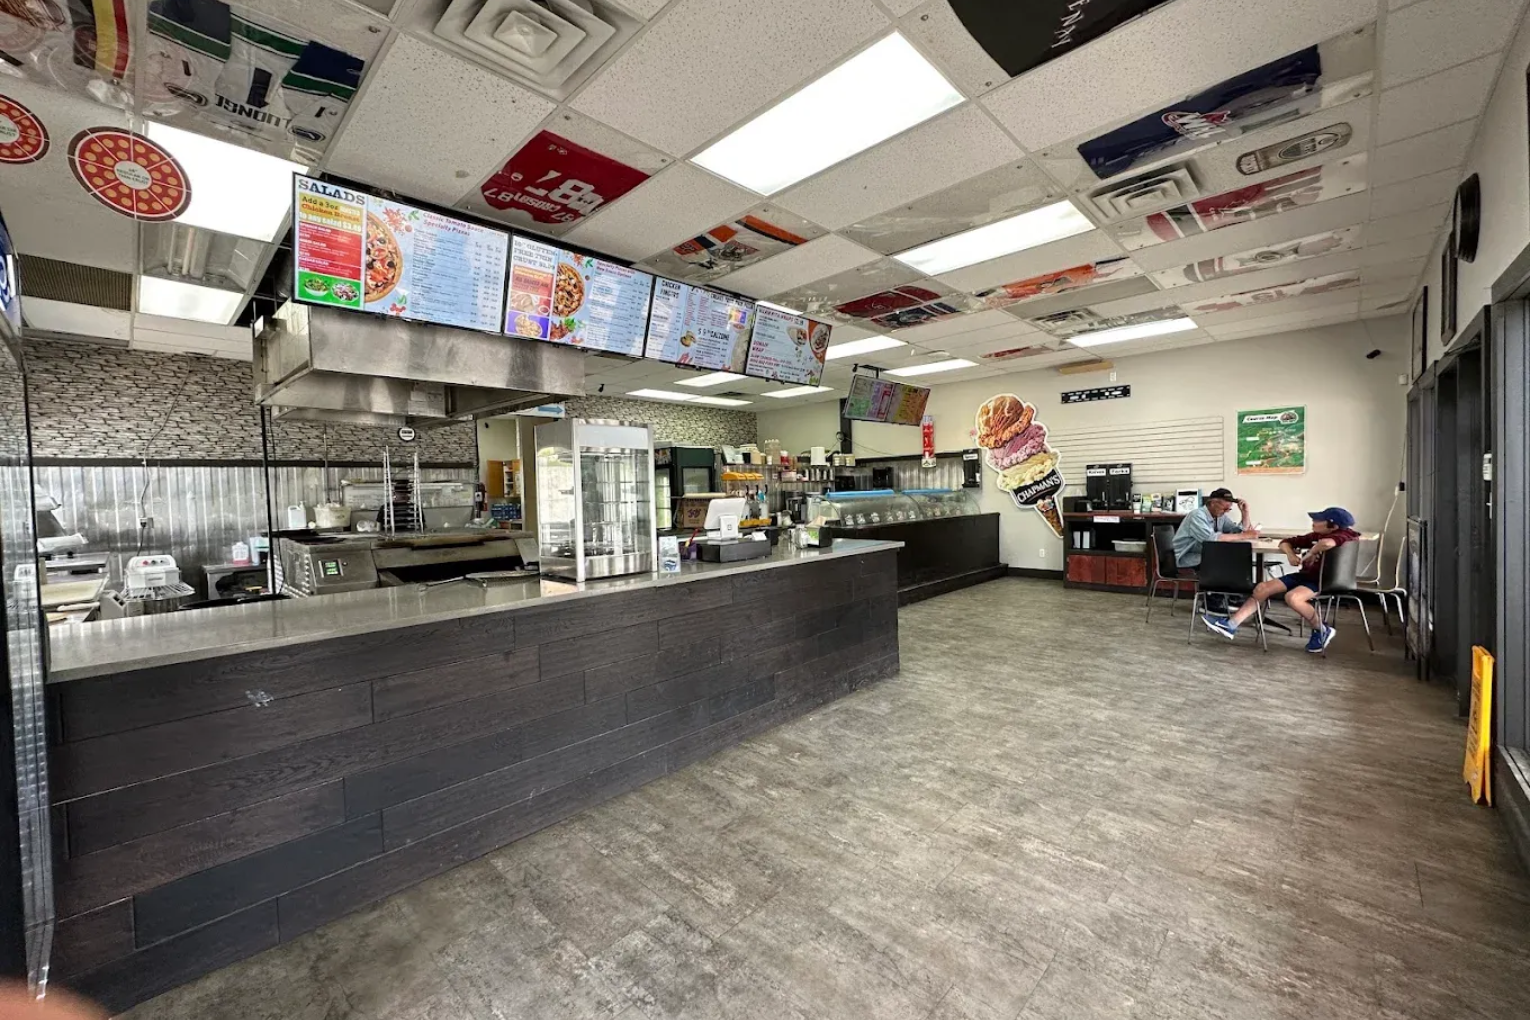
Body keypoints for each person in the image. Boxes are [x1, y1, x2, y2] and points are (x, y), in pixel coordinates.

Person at [1202, 507, 1361, 652]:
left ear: (1332, 526)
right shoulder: (1317, 535)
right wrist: (1291, 554)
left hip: (1324, 580)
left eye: (1318, 520)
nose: (1313, 522)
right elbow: (1285, 542)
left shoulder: (1345, 534)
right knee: (1262, 588)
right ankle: (1230, 625)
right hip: (1305, 576)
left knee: (1292, 597)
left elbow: (1327, 543)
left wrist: (1311, 553)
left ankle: (1321, 629)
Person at [1172, 488, 1258, 571]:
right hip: (1186, 557)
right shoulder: (1197, 515)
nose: (1226, 512)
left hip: (1205, 553)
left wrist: (1245, 513)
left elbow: (1237, 531)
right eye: (1224, 509)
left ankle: (1236, 584)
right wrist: (1243, 535)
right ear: (1213, 503)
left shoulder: (1220, 516)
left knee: (1234, 556)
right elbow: (1210, 539)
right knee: (1229, 558)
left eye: (1229, 509)